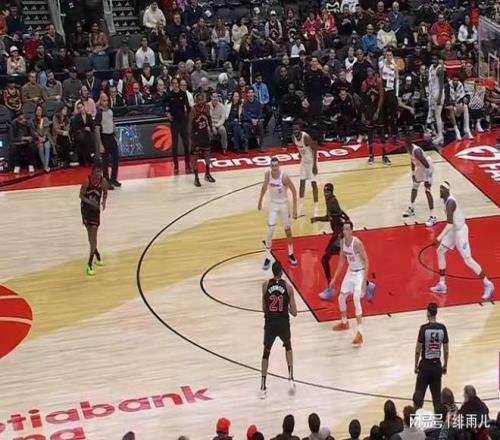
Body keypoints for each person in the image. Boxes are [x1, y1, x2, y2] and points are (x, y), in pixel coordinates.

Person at [431, 182, 494, 300]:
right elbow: (451, 224)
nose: (440, 191)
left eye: (442, 189)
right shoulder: (445, 200)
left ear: (447, 191)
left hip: (460, 231)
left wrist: (439, 238)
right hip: (453, 229)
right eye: (440, 189)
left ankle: (488, 284)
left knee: (468, 260)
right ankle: (442, 284)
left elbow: (449, 223)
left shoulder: (450, 202)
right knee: (440, 251)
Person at [329, 221, 376, 346]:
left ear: (351, 231)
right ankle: (345, 322)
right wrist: (334, 279)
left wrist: (364, 281)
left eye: (347, 229)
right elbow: (341, 262)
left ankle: (360, 333)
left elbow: (366, 260)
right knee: (341, 297)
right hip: (350, 272)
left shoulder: (357, 243)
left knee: (356, 299)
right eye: (344, 229)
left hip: (360, 272)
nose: (345, 231)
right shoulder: (342, 242)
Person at [260, 261, 297, 399]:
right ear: (282, 272)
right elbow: (294, 312)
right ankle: (291, 379)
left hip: (270, 323)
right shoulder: (288, 287)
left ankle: (263, 386)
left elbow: (264, 308)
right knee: (288, 347)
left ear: (273, 271)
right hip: (283, 323)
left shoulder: (265, 285)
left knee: (266, 353)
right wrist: (285, 307)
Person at [258, 157, 298, 271]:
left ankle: (291, 253)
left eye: (276, 166)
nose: (274, 168)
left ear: (278, 166)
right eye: (272, 166)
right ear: (270, 166)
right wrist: (260, 201)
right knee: (270, 230)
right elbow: (264, 187)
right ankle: (267, 257)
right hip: (273, 204)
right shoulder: (268, 174)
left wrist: (295, 209)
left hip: (284, 205)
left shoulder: (284, 176)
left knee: (287, 230)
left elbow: (294, 191)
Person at [311, 183, 350, 299]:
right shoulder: (329, 200)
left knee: (325, 259)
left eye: (328, 192)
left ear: (332, 192)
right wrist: (317, 219)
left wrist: (342, 234)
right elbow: (330, 217)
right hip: (337, 234)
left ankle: (330, 288)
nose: (326, 194)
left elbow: (342, 217)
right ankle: (367, 284)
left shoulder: (333, 202)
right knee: (346, 258)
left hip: (339, 235)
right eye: (325, 191)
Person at [413, 302, 449, 412]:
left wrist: (416, 365)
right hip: (437, 366)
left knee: (418, 397)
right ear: (436, 313)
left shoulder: (423, 328)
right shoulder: (442, 328)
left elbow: (418, 350)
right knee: (437, 399)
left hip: (425, 365)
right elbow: (446, 350)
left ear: (428, 313)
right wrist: (445, 365)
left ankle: (416, 420)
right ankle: (439, 421)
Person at [80, 162, 107, 276]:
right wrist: (89, 201)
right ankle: (97, 256)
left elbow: (105, 192)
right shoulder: (87, 181)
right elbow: (81, 196)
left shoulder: (103, 181)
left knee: (93, 236)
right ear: (92, 172)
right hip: (86, 209)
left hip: (95, 211)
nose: (98, 174)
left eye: (100, 172)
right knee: (91, 236)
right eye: (97, 172)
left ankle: (90, 264)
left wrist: (104, 202)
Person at [402, 137, 436, 227]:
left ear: (409, 143)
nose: (404, 145)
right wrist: (413, 173)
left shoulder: (416, 151)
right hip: (421, 167)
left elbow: (427, 165)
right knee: (414, 186)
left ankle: (433, 217)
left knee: (427, 191)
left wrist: (427, 179)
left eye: (405, 143)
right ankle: (411, 209)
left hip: (428, 168)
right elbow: (412, 160)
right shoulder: (409, 149)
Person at [360, 67, 388, 165]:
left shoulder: (378, 81)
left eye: (370, 71)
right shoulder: (364, 83)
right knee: (370, 134)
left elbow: (381, 97)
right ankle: (371, 155)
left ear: (373, 72)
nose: (369, 73)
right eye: (367, 71)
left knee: (382, 134)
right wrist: (363, 114)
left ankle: (384, 155)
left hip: (378, 109)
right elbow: (363, 100)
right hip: (369, 110)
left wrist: (378, 111)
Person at [95, 93, 121, 190]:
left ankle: (113, 179)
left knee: (116, 158)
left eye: (106, 100)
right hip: (104, 137)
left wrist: (115, 136)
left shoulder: (110, 110)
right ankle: (106, 181)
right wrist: (100, 144)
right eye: (104, 100)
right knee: (105, 162)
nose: (106, 102)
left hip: (111, 136)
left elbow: (112, 123)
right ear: (100, 101)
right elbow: (97, 129)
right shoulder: (99, 113)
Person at [292, 124, 318, 218]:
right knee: (302, 183)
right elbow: (299, 148)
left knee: (313, 184)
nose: (295, 131)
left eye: (297, 129)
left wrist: (315, 165)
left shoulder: (306, 137)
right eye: (294, 130)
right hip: (303, 161)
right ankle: (301, 209)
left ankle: (316, 209)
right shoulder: (293, 138)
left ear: (300, 130)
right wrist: (300, 154)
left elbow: (315, 149)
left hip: (311, 162)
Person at [166, 78, 191, 174]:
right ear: (171, 85)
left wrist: (186, 112)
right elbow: (165, 106)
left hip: (183, 121)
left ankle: (187, 164)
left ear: (178, 84)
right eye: (173, 83)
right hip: (174, 122)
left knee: (186, 143)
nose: (175, 85)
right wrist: (167, 114)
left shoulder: (183, 94)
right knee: (175, 144)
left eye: (176, 83)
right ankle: (176, 165)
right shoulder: (169, 95)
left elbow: (188, 107)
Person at [190, 92, 215, 187]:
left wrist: (211, 129)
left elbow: (209, 119)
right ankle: (196, 178)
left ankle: (207, 174)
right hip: (196, 135)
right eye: (199, 100)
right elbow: (189, 124)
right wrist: (191, 137)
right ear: (196, 101)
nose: (201, 102)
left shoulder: (207, 107)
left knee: (207, 154)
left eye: (202, 100)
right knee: (195, 156)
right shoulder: (193, 110)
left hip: (204, 134)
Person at [427, 55, 445, 146]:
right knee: (435, 115)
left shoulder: (440, 70)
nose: (434, 60)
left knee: (438, 116)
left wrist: (439, 98)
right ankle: (438, 134)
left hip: (438, 94)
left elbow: (441, 86)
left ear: (438, 60)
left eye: (435, 59)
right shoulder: (431, 67)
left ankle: (441, 136)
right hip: (432, 94)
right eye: (433, 59)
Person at [32, 104, 52, 172]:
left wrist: (44, 137)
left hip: (45, 137)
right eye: (37, 110)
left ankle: (46, 165)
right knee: (40, 146)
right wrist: (39, 137)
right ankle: (45, 166)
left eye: (40, 110)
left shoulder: (45, 119)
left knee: (47, 145)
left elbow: (47, 129)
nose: (39, 111)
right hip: (38, 139)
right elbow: (33, 131)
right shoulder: (33, 121)